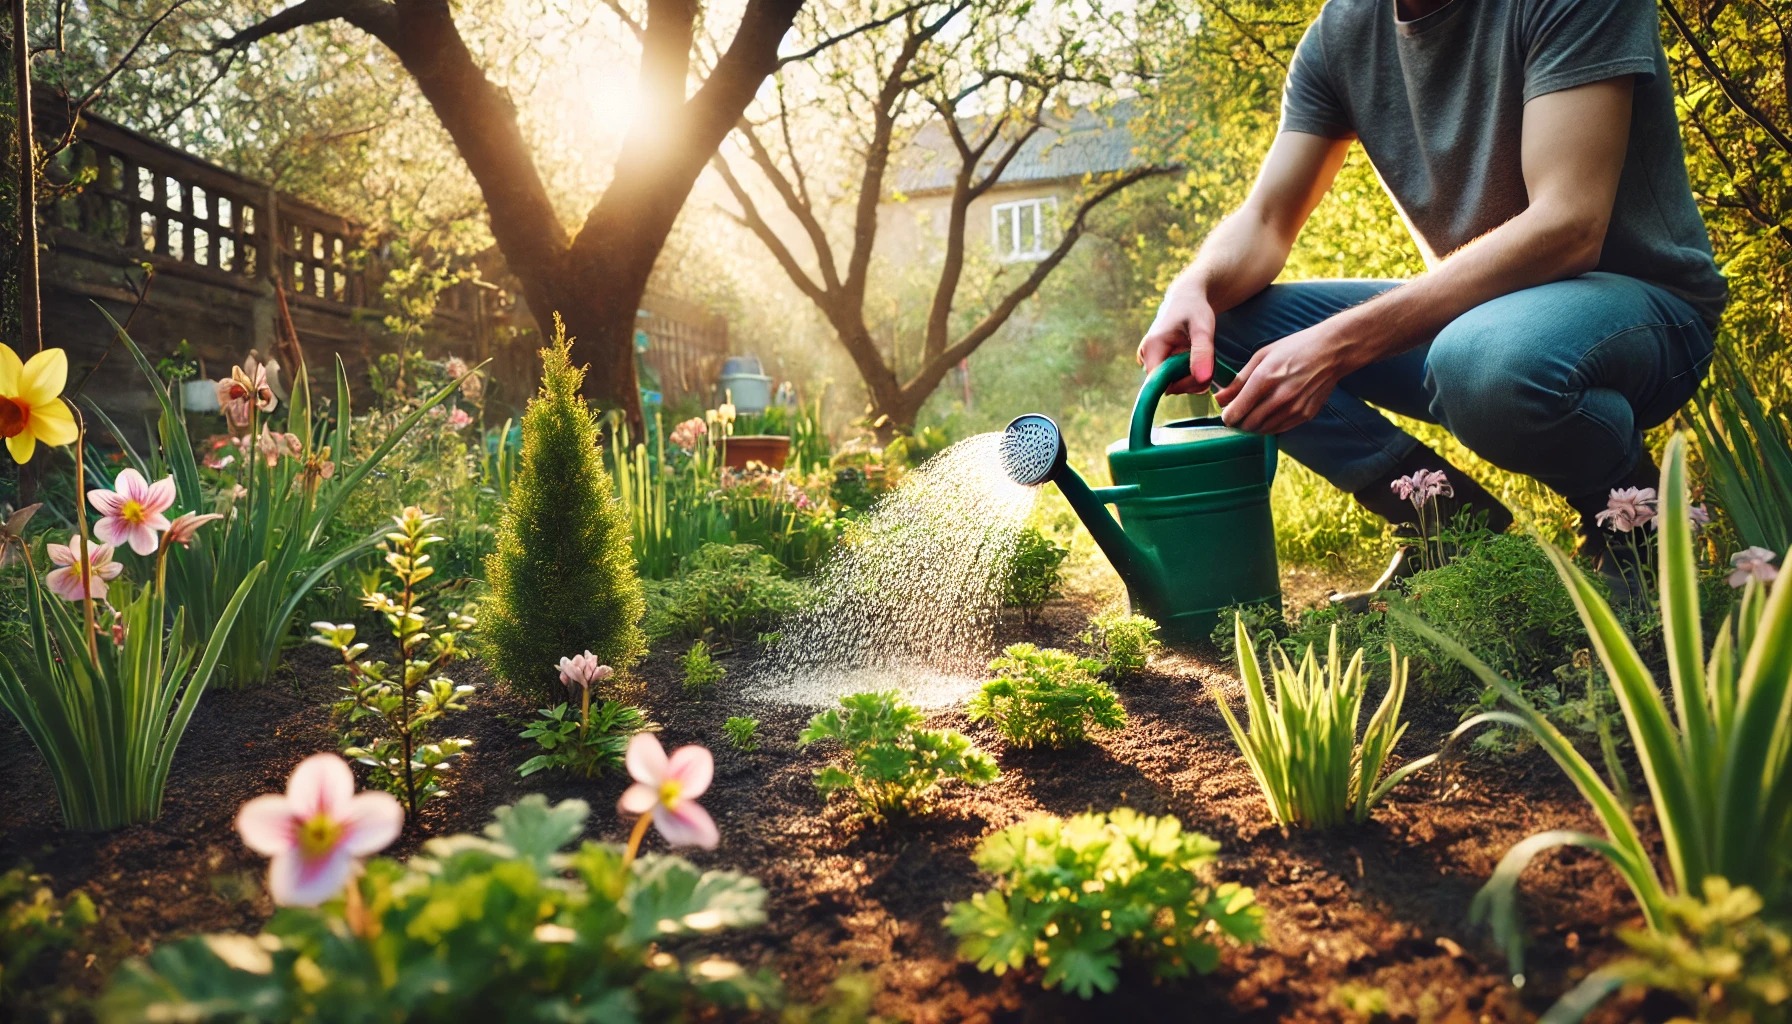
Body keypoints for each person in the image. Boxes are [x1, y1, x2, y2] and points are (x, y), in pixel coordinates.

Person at [1137, 0, 1725, 594]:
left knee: (1481, 361)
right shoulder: (1342, 32)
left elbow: (1567, 227)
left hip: (1643, 313)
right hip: (1478, 324)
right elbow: (1266, 221)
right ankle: (1450, 531)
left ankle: (1633, 526)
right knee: (1232, 328)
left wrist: (1336, 346)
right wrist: (1194, 289)